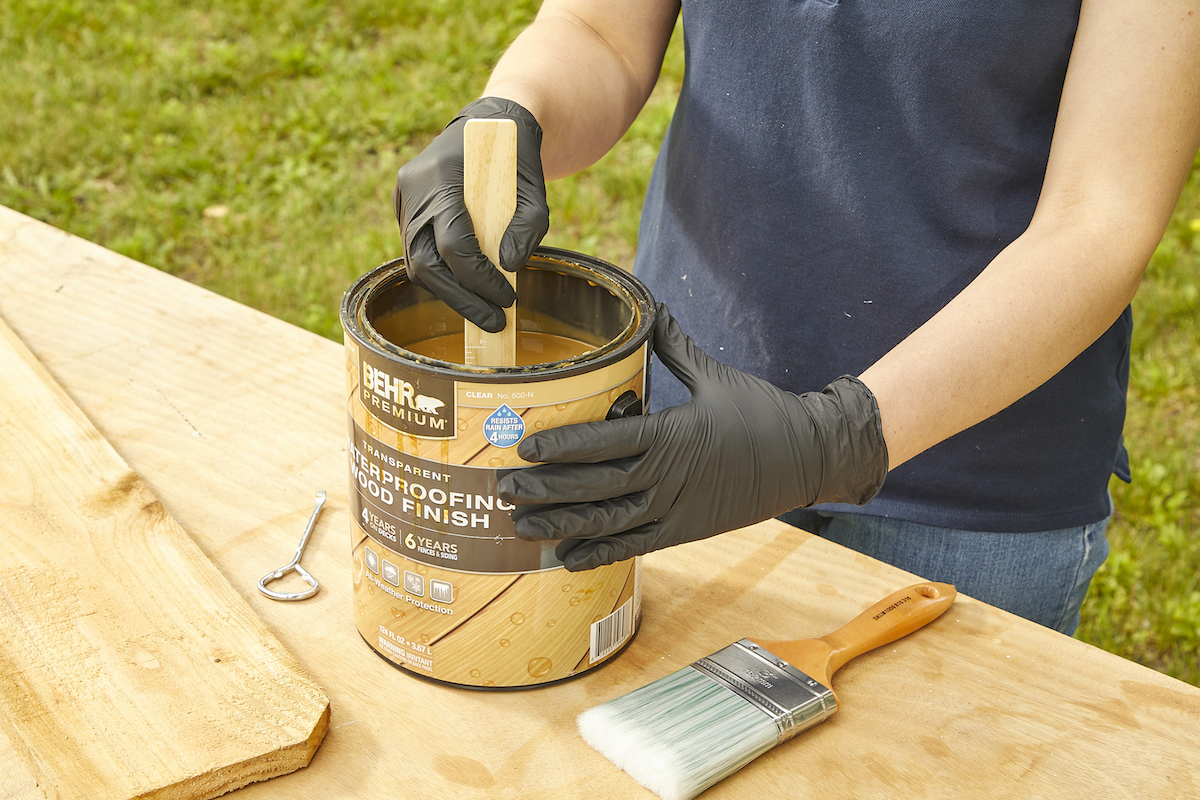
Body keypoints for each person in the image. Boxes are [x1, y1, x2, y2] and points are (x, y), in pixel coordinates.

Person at [392, 0, 1200, 635]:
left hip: (970, 487)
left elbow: (1099, 217)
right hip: (680, 446)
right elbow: (598, 30)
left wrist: (834, 437)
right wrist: (513, 113)